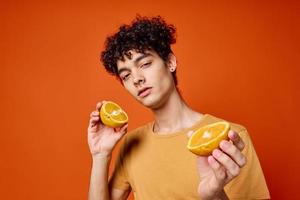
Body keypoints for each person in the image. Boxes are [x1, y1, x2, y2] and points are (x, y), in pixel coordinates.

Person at [87, 16, 270, 200]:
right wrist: (100, 155)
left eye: (145, 64)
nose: (136, 79)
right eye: (126, 75)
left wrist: (215, 196)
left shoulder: (230, 138)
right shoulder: (131, 144)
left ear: (170, 62)